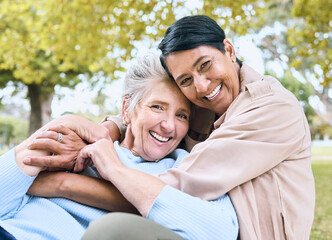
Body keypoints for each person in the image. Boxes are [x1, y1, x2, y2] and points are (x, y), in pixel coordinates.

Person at [78, 15, 314, 239]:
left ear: (229, 50)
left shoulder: (274, 108)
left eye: (205, 65)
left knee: (111, 231)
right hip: (194, 227)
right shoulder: (203, 106)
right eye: (186, 80)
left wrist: (62, 184)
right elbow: (154, 110)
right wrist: (110, 127)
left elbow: (174, 190)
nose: (201, 86)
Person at [0, 52, 239, 240]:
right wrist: (59, 127)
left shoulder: (188, 166)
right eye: (157, 107)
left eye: (182, 116)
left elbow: (220, 233)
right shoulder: (76, 147)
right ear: (126, 109)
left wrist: (115, 170)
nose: (168, 126)